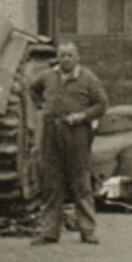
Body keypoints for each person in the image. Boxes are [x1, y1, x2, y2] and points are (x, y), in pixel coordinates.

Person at [29, 40, 109, 246]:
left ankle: (88, 231)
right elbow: (33, 89)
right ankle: (49, 232)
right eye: (62, 55)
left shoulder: (88, 78)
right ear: (57, 57)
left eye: (69, 55)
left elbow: (102, 104)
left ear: (77, 57)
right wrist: (43, 109)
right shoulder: (48, 76)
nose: (65, 59)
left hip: (77, 134)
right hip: (51, 134)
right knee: (51, 183)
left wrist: (82, 117)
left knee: (81, 183)